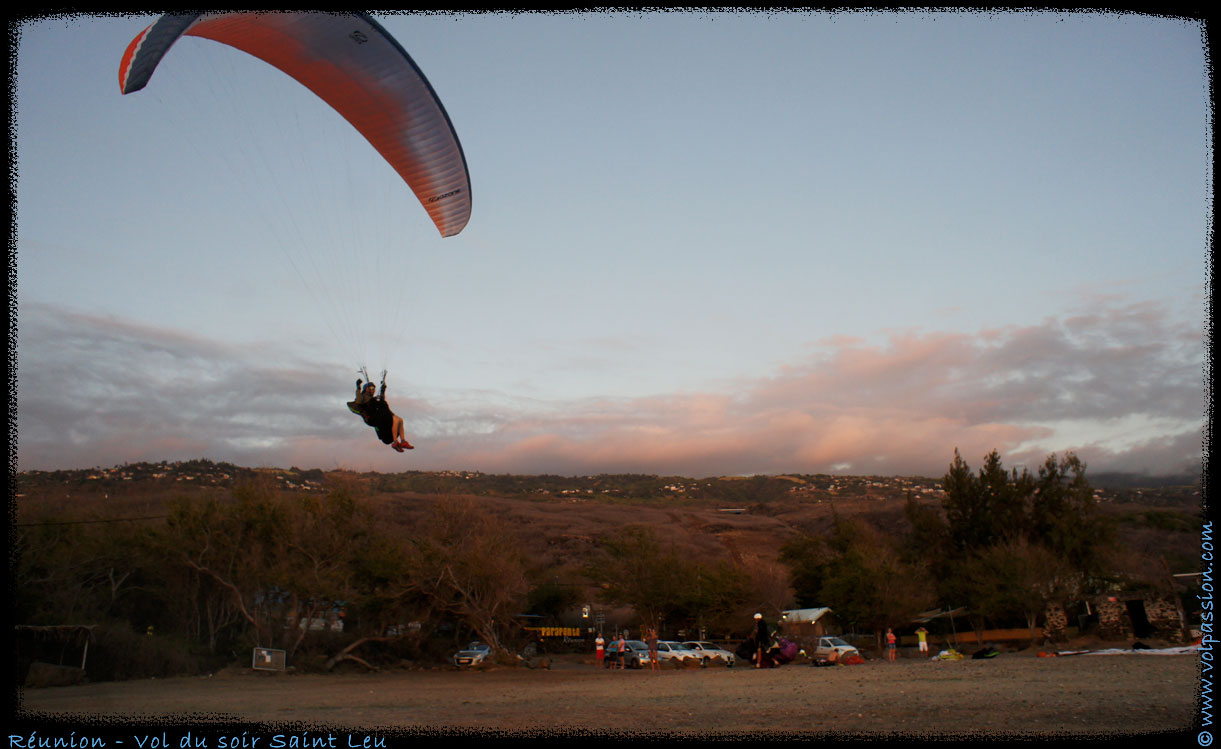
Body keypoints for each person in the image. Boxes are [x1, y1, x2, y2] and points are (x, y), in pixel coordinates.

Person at [347, 376, 413, 452]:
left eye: (374, 388)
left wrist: (382, 390)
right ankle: (395, 442)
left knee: (400, 420)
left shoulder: (373, 399)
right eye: (372, 388)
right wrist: (358, 387)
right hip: (371, 418)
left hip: (379, 416)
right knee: (384, 405)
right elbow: (358, 401)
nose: (373, 390)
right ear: (366, 389)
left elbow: (381, 399)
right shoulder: (363, 397)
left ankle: (403, 441)